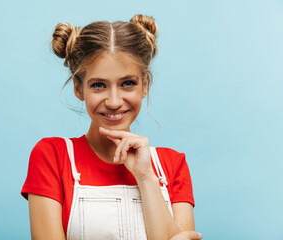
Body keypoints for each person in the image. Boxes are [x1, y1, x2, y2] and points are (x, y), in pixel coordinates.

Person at [21, 14, 202, 240]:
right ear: (78, 89)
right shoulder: (52, 157)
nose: (114, 101)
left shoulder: (173, 166)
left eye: (128, 83)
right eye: (98, 85)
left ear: (145, 85)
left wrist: (146, 177)